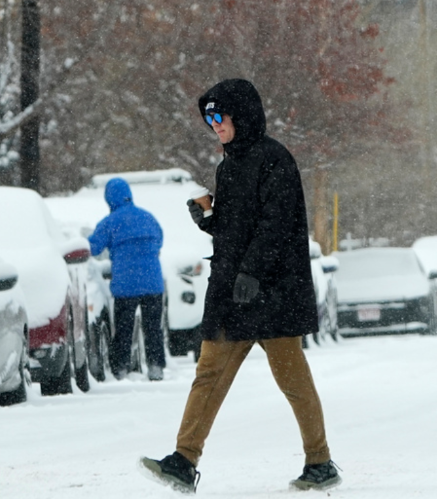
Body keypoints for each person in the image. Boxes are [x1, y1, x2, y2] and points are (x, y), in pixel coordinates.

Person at [139, 79, 340, 493]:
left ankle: (320, 461)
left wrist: (252, 271)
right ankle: (183, 460)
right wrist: (210, 220)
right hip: (234, 293)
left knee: (292, 380)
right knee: (209, 373)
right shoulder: (228, 165)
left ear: (242, 115)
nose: (214, 124)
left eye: (220, 115)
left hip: (274, 293)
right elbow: (237, 230)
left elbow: (276, 225)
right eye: (208, 117)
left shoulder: (274, 159)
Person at [88, 177, 166, 381]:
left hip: (126, 284)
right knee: (153, 328)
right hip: (152, 282)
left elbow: (93, 247)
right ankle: (156, 366)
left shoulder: (109, 222)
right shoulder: (147, 217)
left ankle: (120, 368)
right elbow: (159, 239)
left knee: (124, 328)